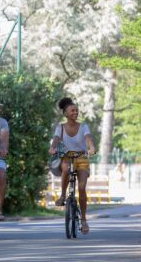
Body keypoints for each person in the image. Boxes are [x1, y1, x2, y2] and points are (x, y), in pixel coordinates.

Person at [48, 97, 96, 234]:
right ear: (66, 114)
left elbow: (88, 138)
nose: (75, 112)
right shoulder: (61, 127)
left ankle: (84, 220)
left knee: (81, 188)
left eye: (76, 110)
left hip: (81, 157)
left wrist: (91, 147)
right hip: (67, 156)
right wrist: (52, 148)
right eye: (72, 110)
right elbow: (56, 139)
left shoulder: (83, 126)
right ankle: (63, 195)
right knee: (66, 169)